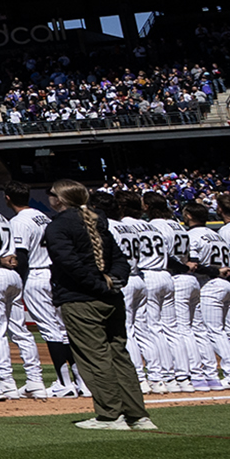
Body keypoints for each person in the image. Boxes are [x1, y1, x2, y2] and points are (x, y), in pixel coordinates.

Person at [46, 181, 155, 429]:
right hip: (110, 297)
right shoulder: (98, 221)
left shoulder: (59, 226)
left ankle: (110, 414)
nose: (49, 198)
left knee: (94, 357)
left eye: (51, 194)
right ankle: (137, 415)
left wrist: (99, 285)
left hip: (80, 298)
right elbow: (119, 260)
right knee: (119, 356)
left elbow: (69, 263)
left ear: (60, 199)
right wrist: (113, 283)